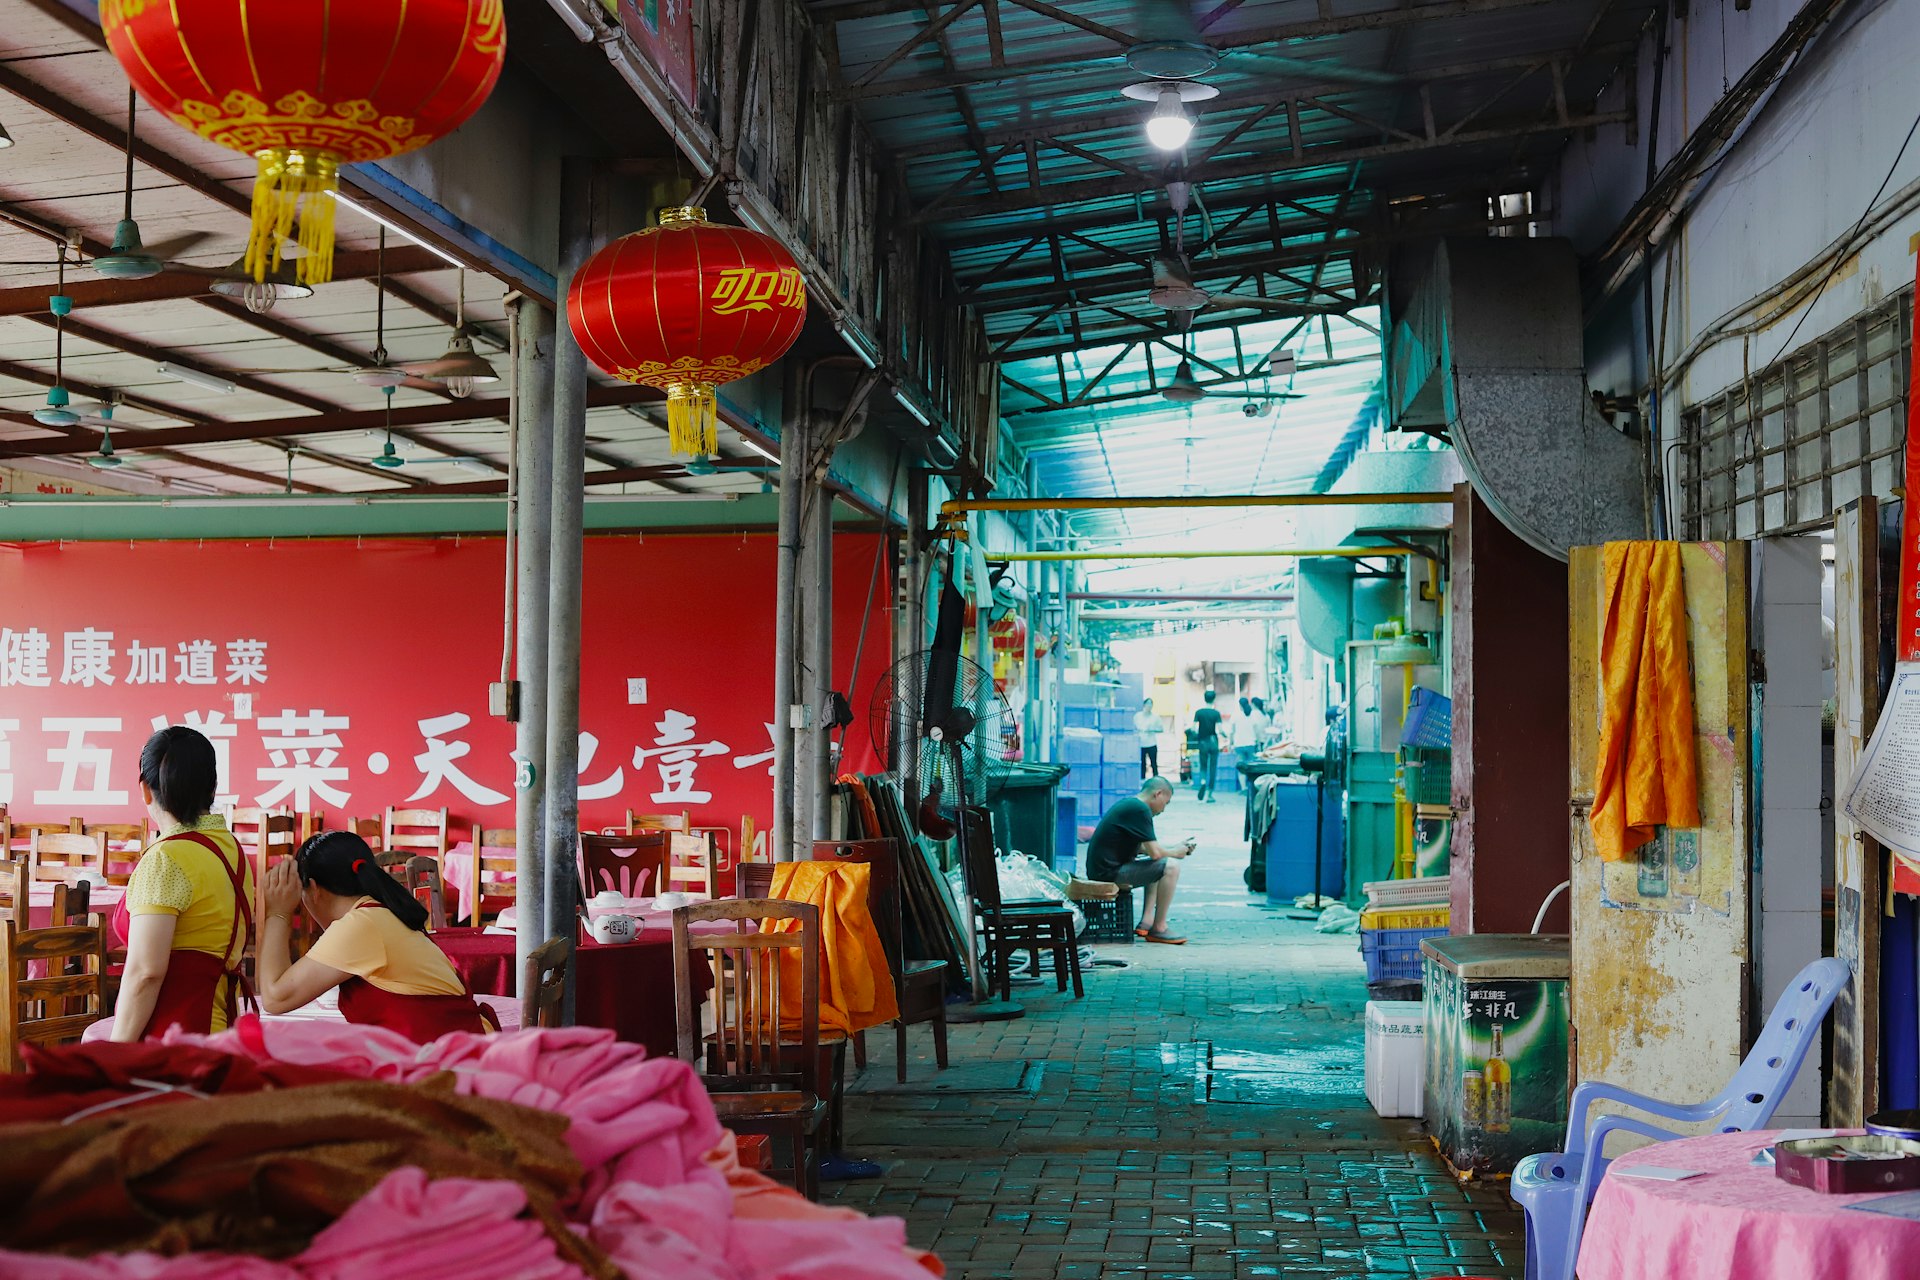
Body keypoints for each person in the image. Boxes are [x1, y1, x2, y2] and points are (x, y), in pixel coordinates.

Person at [256, 831, 497, 1040]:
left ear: (314, 889)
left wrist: (278, 912)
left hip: (448, 1064)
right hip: (450, 1050)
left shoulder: (361, 924)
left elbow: (276, 997)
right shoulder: (378, 912)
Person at [112, 726, 253, 1042]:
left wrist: (115, 1053)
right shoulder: (231, 849)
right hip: (222, 1027)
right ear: (213, 788)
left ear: (145, 790)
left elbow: (146, 973)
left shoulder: (166, 859)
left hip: (173, 1038)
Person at [1085, 777, 1195, 944]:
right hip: (1107, 874)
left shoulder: (1132, 805)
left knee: (1158, 863)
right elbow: (1156, 853)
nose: (1163, 810)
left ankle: (1146, 922)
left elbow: (1146, 849)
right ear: (1158, 794)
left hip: (1103, 869)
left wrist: (1175, 848)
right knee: (1171, 866)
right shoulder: (1140, 810)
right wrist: (1176, 853)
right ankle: (1159, 928)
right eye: (1166, 803)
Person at [1192, 689, 1223, 803]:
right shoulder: (1216, 713)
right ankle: (1209, 794)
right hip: (1213, 741)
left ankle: (1203, 781)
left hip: (1203, 742)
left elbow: (1193, 728)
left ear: (1204, 699)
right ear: (1213, 699)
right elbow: (1220, 729)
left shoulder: (1199, 712)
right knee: (1213, 767)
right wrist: (1226, 735)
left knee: (1203, 765)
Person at [1133, 697, 1165, 779]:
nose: (1149, 706)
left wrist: (1152, 730)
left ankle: (1156, 780)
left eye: (1151, 704)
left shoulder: (1155, 717)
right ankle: (1142, 780)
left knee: (1154, 763)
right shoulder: (1137, 716)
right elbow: (1133, 728)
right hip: (1140, 743)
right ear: (1144, 705)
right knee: (1142, 764)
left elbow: (1161, 729)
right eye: (1148, 704)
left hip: (1151, 743)